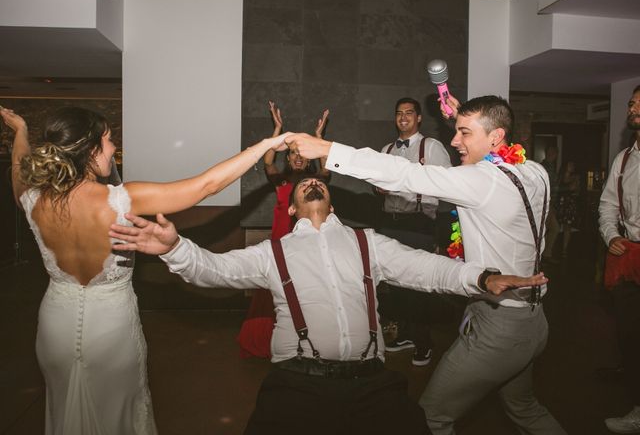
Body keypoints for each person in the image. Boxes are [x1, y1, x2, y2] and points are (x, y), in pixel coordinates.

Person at [109, 176, 548, 435]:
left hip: (372, 384)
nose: (310, 184)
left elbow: (428, 270)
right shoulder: (271, 253)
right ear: (295, 208)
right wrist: (173, 248)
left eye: (317, 182)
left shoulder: (366, 243)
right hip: (297, 385)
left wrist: (483, 277)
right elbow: (211, 270)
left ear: (330, 201)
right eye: (302, 187)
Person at [285, 94, 566, 434]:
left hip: (500, 327)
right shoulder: (535, 172)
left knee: (429, 417)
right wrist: (469, 120)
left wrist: (329, 151)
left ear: (495, 138)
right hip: (535, 321)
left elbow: (404, 175)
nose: (453, 140)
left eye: (463, 133)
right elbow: (498, 139)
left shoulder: (480, 181)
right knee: (525, 408)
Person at [0, 105, 289, 435]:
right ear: (90, 149)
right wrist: (265, 145)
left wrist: (20, 131)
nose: (113, 148)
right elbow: (206, 185)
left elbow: (18, 171)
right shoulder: (122, 200)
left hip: (56, 323)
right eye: (108, 140)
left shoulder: (33, 197)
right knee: (119, 413)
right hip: (111, 325)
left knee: (64, 405)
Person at [236, 101, 329, 358]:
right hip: (281, 243)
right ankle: (267, 340)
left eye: (301, 154)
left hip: (307, 246)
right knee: (275, 293)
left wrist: (320, 139)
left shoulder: (315, 182)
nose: (298, 158)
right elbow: (267, 163)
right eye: (293, 154)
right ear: (287, 158)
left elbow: (326, 167)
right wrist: (276, 128)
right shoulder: (282, 180)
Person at [374, 97, 451, 366]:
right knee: (395, 283)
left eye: (409, 113)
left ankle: (423, 341)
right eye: (399, 113)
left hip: (419, 223)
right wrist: (379, 187)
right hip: (390, 221)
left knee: (418, 284)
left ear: (418, 118)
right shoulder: (385, 150)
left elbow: (448, 184)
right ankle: (405, 334)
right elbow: (378, 184)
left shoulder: (431, 147)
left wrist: (439, 235)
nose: (403, 117)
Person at [599, 84, 640, 434]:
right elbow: (608, 204)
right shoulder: (624, 159)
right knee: (631, 337)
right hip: (629, 256)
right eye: (631, 102)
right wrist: (611, 234)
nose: (633, 107)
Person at [556, 160, 581, 257]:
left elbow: (576, 190)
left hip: (569, 204)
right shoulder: (560, 177)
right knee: (555, 226)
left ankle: (564, 250)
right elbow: (561, 189)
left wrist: (576, 182)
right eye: (570, 164)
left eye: (573, 165)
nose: (572, 166)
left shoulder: (575, 177)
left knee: (567, 227)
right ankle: (553, 248)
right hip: (560, 203)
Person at [541, 145, 560, 263]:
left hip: (549, 203)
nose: (553, 155)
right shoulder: (544, 167)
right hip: (546, 203)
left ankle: (544, 255)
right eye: (551, 152)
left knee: (549, 229)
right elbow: (549, 188)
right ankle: (544, 255)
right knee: (553, 229)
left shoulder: (551, 167)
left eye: (555, 153)